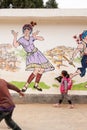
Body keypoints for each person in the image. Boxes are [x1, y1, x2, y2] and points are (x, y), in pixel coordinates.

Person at [11, 21, 55, 92]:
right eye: (25, 30)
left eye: (28, 30)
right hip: (31, 56)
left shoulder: (32, 37)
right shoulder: (21, 39)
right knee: (37, 69)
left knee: (42, 69)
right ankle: (26, 85)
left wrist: (35, 36)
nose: (26, 31)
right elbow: (15, 45)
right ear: (23, 31)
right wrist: (15, 36)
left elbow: (42, 39)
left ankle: (36, 84)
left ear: (30, 31)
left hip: (37, 54)